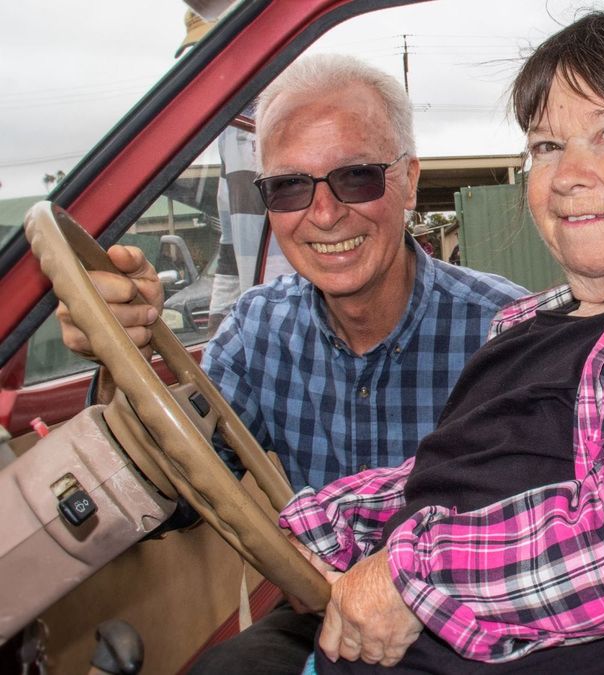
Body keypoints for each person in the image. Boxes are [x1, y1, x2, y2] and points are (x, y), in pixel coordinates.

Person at [280, 9, 604, 673]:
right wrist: (331, 517)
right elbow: (457, 479)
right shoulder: (530, 322)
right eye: (547, 146)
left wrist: (407, 573)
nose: (568, 173)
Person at [56, 53, 526, 674]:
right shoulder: (258, 328)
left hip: (470, 614)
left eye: (356, 177)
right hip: (321, 611)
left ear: (409, 181)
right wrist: (121, 356)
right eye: (289, 187)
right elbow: (177, 488)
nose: (324, 215)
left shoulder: (507, 331)